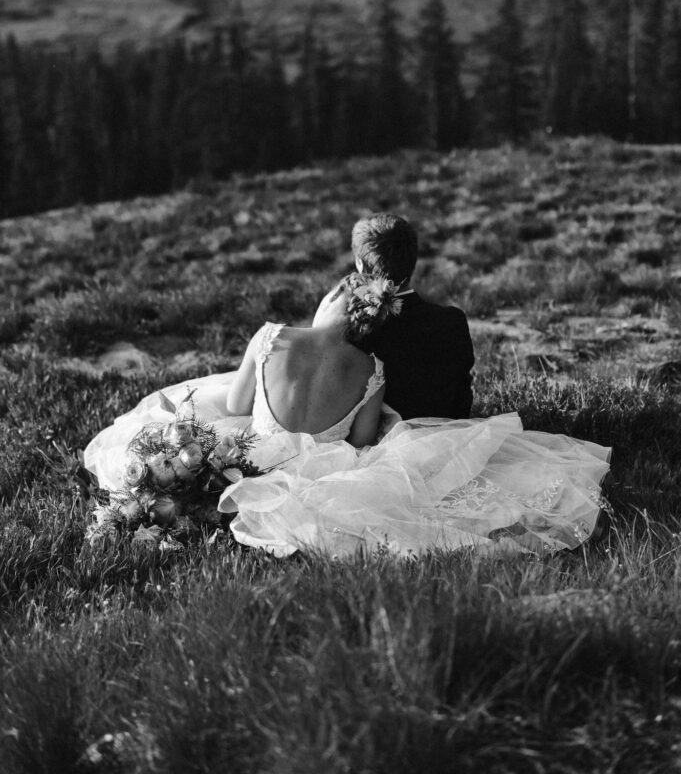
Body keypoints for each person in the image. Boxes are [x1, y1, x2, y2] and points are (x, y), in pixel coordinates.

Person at [84, 273, 611, 559]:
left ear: (333, 297)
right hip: (315, 469)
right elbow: (361, 446)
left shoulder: (270, 337)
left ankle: (149, 516)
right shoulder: (371, 369)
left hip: (250, 451)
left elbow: (241, 406)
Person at [350, 213, 474, 420]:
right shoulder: (453, 321)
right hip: (451, 439)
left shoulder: (360, 331)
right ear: (413, 262)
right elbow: (462, 397)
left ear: (360, 265)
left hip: (384, 446)